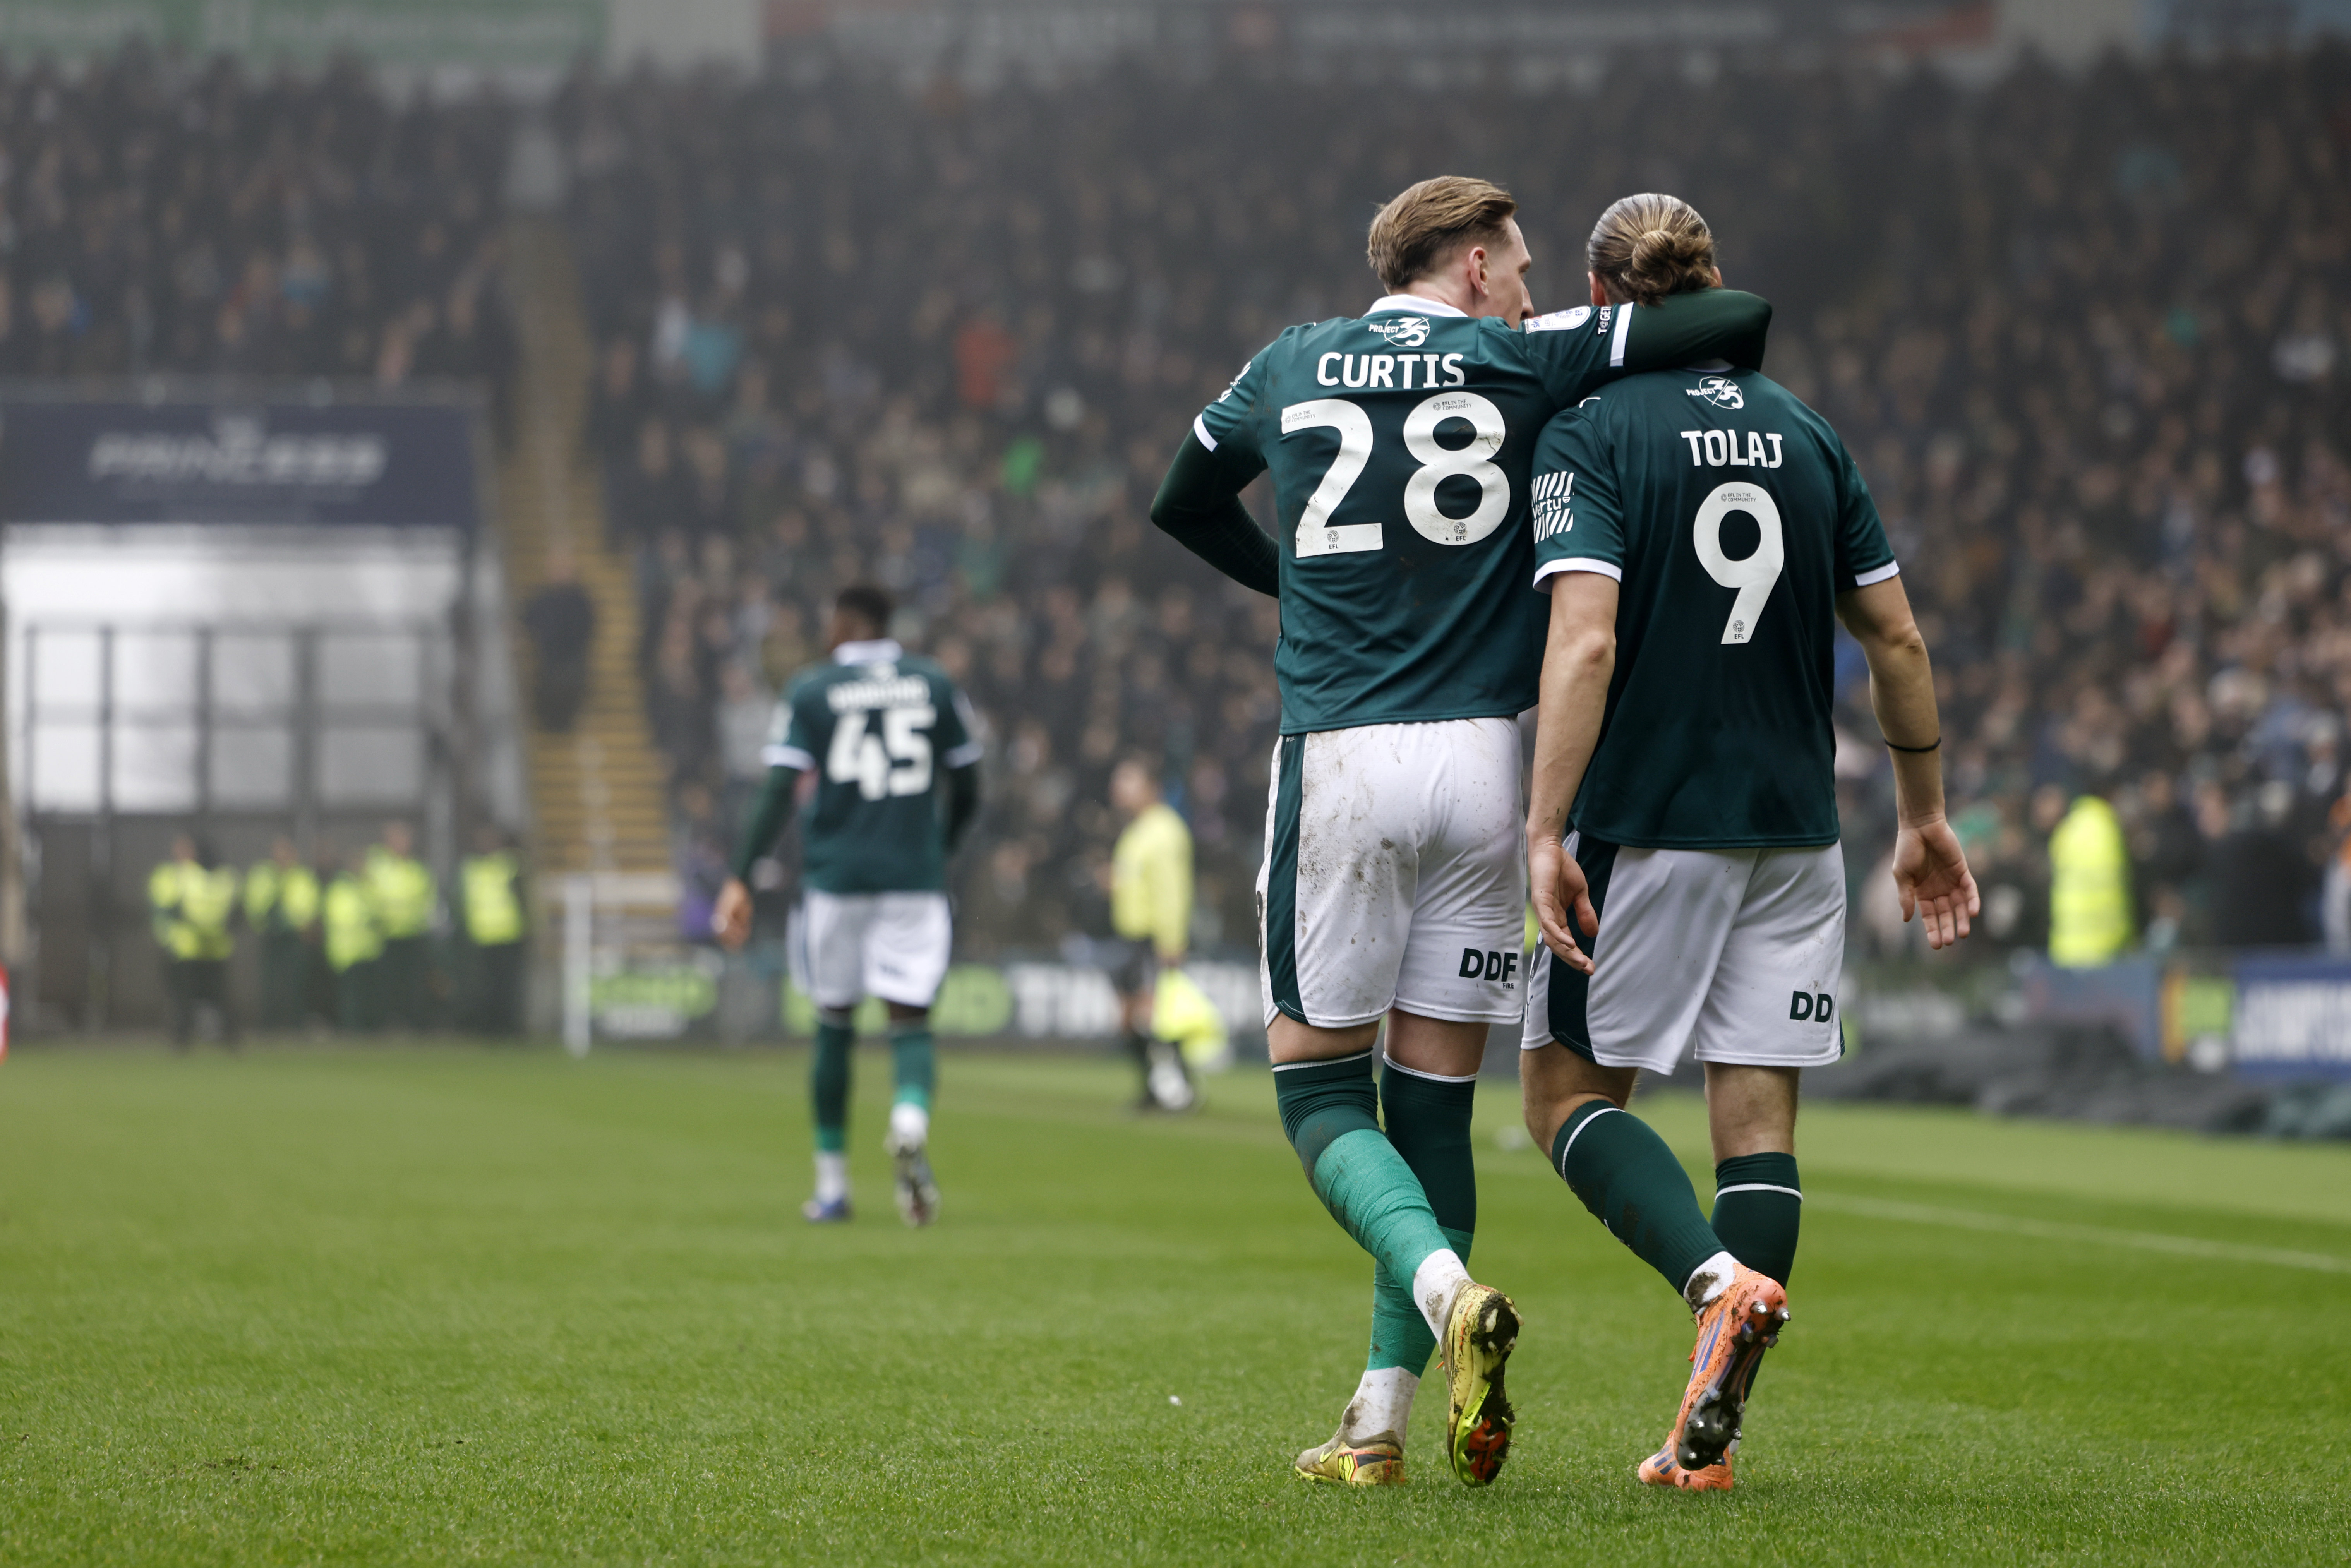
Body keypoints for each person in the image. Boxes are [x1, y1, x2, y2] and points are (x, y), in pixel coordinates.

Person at [1149, 174, 1774, 1490]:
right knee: (1434, 1105)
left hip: (1346, 755)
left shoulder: (1293, 358)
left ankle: (1444, 1300)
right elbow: (1733, 318)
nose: (1536, 291)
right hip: (1488, 768)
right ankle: (1376, 1424)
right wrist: (1597, 326)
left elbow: (1181, 500)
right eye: (1524, 266)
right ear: (1473, 265)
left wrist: (1294, 580)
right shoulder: (1521, 358)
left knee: (1319, 1089)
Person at [1517, 193, 1977, 1493]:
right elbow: (1897, 638)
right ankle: (1704, 1442)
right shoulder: (1808, 433)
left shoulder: (1590, 430)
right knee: (1756, 1120)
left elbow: (1586, 640)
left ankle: (1713, 1283)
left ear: (1600, 301)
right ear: (1716, 283)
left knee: (1562, 1100)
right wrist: (1924, 815)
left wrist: (1544, 825)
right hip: (1795, 829)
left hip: (1651, 820)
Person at [712, 585, 984, 1227]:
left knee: (834, 1021)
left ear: (847, 622)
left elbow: (778, 788)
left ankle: (832, 1187)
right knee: (910, 1020)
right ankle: (908, 1122)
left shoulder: (812, 689)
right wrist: (940, 848)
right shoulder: (933, 683)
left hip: (836, 882)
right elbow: (969, 784)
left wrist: (740, 875)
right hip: (913, 881)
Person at [1107, 757, 1198, 1112]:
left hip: (1151, 939)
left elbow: (1172, 891)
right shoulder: (1139, 829)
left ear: (1151, 787)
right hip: (1130, 936)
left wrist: (1171, 941)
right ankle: (1154, 1087)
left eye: (1128, 780)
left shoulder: (1164, 831)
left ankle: (1179, 1089)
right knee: (1130, 1018)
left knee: (1154, 1017)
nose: (1119, 788)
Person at [149, 833, 240, 1048]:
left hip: (190, 947)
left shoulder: (182, 877)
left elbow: (166, 911)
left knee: (190, 997)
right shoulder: (224, 877)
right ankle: (222, 1038)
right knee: (209, 997)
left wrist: (169, 937)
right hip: (203, 947)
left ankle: (186, 1039)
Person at [2047, 784, 2133, 967]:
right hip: (2107, 944)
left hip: (2067, 945)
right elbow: (2122, 882)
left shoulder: (2068, 828)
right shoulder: (2108, 827)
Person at [366, 821, 437, 1032]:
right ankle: (390, 1023)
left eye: (403, 839)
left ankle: (414, 1024)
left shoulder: (418, 870)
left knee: (413, 984)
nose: (400, 844)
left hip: (413, 936)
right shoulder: (378, 868)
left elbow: (428, 902)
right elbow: (370, 897)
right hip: (386, 936)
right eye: (395, 839)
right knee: (388, 984)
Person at [244, 836, 320, 1030]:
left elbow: (310, 904)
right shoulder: (263, 875)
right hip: (270, 936)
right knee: (271, 982)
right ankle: (270, 1024)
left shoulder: (303, 877)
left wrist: (304, 924)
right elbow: (254, 903)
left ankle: (295, 1023)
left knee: (296, 982)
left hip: (295, 937)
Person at [460, 826, 528, 1035]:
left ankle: (507, 1026)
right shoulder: (472, 869)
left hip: (508, 936)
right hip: (482, 937)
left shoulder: (510, 866)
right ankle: (487, 1027)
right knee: (485, 986)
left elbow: (524, 897)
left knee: (507, 987)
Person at [522, 554, 598, 732]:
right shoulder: (541, 598)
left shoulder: (582, 600)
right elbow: (526, 623)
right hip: (547, 666)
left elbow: (586, 630)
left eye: (564, 567)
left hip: (572, 666)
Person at [320, 846, 384, 1032]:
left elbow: (379, 912)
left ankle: (364, 1029)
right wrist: (368, 920)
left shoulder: (366, 887)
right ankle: (350, 1030)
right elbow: (343, 917)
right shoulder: (340, 889)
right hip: (347, 954)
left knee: (366, 996)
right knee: (350, 997)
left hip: (367, 953)